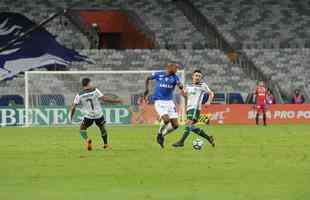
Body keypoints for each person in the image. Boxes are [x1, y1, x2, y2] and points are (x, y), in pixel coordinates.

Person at [69, 78, 122, 151]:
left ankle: (87, 140)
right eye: (91, 83)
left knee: (82, 129)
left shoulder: (79, 94)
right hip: (98, 114)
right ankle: (106, 144)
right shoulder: (95, 90)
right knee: (102, 128)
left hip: (88, 115)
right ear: (88, 83)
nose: (92, 84)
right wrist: (117, 101)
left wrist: (71, 116)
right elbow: (104, 99)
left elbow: (73, 107)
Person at [144, 63, 184, 148]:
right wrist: (147, 89)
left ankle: (162, 136)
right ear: (169, 68)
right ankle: (159, 134)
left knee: (176, 125)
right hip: (159, 101)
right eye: (175, 68)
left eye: (177, 68)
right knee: (166, 120)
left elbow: (180, 85)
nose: (176, 70)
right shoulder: (159, 74)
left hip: (169, 102)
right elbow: (148, 78)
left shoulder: (175, 77)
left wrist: (180, 86)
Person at [172, 70, 215, 148]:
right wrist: (182, 92)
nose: (197, 77)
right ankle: (209, 138)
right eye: (196, 75)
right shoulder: (188, 85)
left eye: (199, 76)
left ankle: (181, 142)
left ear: (201, 78)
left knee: (188, 124)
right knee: (191, 127)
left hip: (195, 108)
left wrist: (208, 102)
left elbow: (211, 93)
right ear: (193, 76)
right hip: (189, 108)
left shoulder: (203, 85)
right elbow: (185, 96)